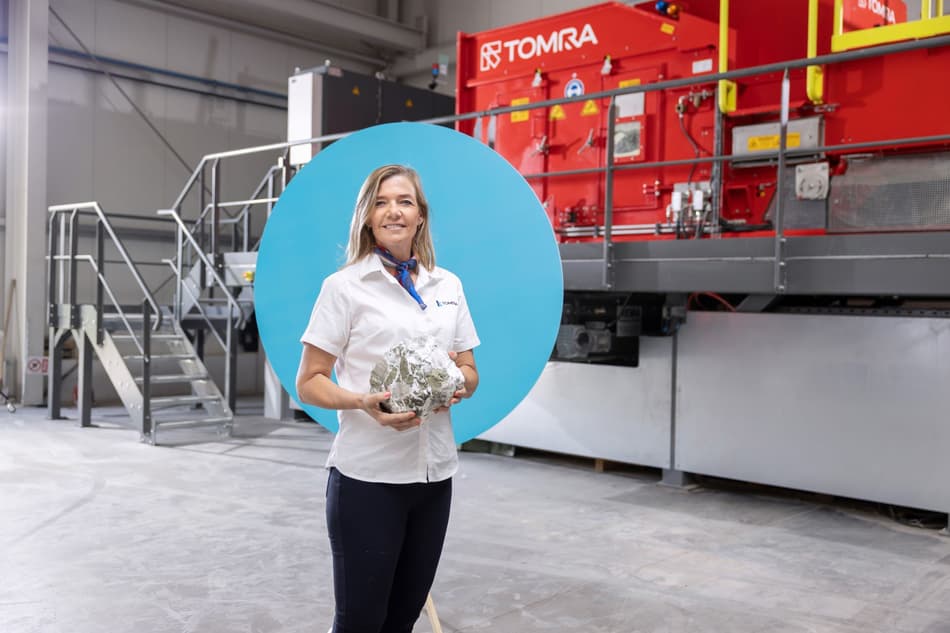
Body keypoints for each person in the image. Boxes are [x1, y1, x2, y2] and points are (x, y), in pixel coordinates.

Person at [296, 164, 480, 633]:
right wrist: (362, 403)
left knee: (401, 620)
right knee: (360, 621)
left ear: (421, 216)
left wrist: (454, 385)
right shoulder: (344, 288)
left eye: (404, 201)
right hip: (367, 480)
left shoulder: (448, 286)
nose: (393, 211)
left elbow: (470, 370)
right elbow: (310, 380)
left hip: (434, 477)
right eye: (381, 202)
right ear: (366, 217)